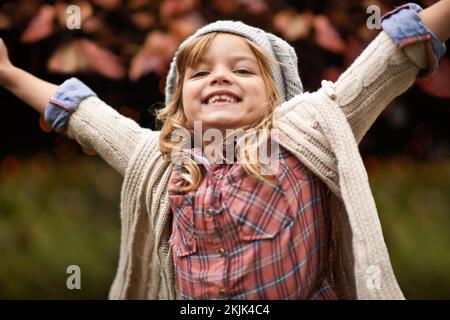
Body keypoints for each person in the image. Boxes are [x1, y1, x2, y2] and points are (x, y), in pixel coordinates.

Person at [0, 1, 448, 299]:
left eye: (242, 70)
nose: (219, 77)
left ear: (275, 98)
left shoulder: (304, 133)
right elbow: (85, 116)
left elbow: (392, 56)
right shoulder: (164, 160)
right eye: (200, 73)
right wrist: (9, 73)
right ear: (178, 106)